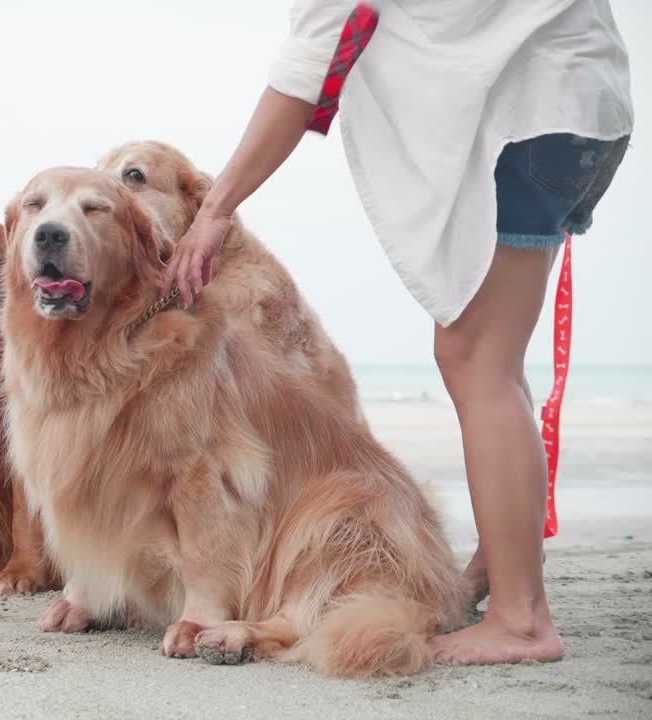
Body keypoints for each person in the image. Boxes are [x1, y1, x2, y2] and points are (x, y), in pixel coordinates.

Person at [166, 0, 632, 665]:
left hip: (532, 110)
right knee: (493, 358)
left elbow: (308, 67)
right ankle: (502, 570)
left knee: (475, 358)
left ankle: (521, 621)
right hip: (578, 101)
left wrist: (216, 208)